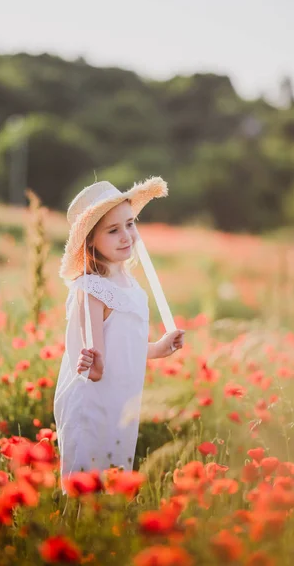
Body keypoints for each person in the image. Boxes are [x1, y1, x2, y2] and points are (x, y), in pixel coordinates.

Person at [53, 176, 185, 493]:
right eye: (113, 230)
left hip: (121, 400)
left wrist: (158, 348)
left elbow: (125, 347)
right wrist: (93, 364)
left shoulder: (130, 285)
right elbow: (96, 359)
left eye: (129, 224)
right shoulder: (91, 289)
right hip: (94, 401)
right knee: (88, 477)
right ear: (90, 241)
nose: (126, 236)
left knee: (113, 475)